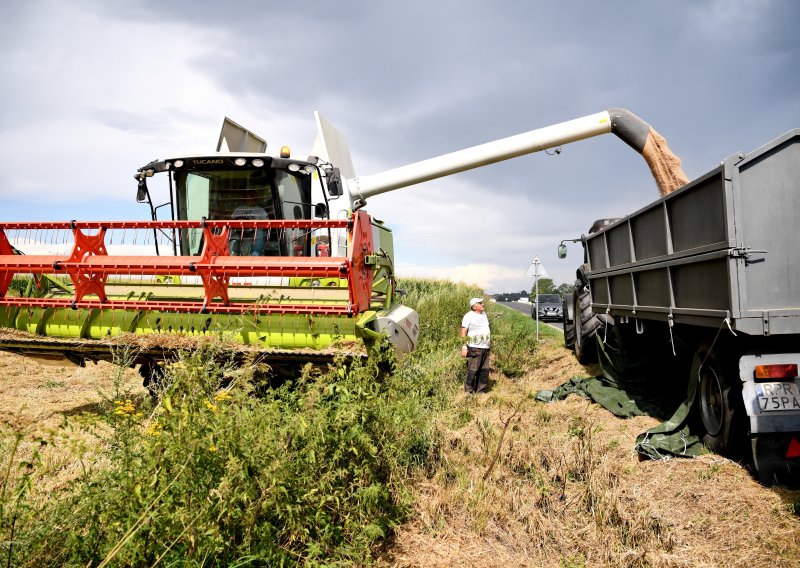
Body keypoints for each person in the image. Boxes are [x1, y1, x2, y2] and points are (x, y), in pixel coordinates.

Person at [461, 297, 491, 393]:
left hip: (485, 347)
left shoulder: (484, 314)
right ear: (474, 307)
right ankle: (468, 392)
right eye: (480, 303)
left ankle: (481, 392)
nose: (483, 304)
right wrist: (464, 346)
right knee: (472, 370)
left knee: (484, 370)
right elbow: (463, 331)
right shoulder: (468, 316)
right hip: (474, 347)